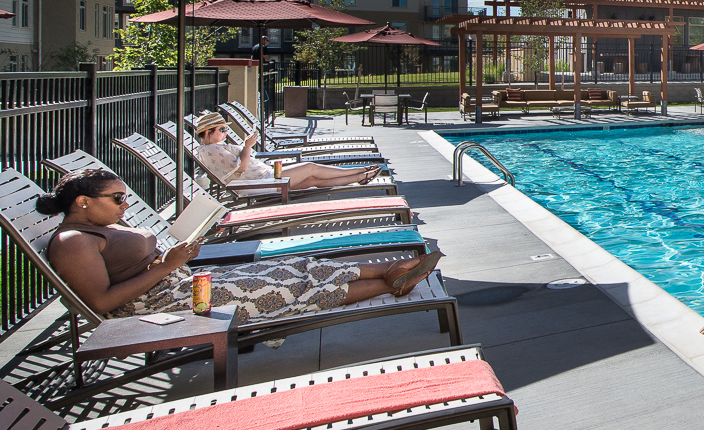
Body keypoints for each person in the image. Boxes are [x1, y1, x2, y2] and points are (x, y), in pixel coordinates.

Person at [39, 169, 441, 321]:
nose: (125, 204)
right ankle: (394, 282)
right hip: (166, 303)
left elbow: (133, 262)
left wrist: (174, 256)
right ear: (82, 202)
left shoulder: (101, 224)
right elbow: (102, 303)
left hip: (179, 283)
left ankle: (396, 271)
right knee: (286, 288)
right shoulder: (74, 242)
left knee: (294, 265)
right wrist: (165, 266)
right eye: (118, 198)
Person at [191, 113, 384, 192]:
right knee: (310, 168)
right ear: (208, 132)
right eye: (222, 130)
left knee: (312, 180)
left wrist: (245, 147)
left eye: (225, 129)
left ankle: (359, 177)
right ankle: (360, 171)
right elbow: (240, 169)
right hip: (262, 181)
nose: (225, 133)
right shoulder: (211, 150)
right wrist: (247, 146)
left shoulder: (213, 148)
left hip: (265, 175)